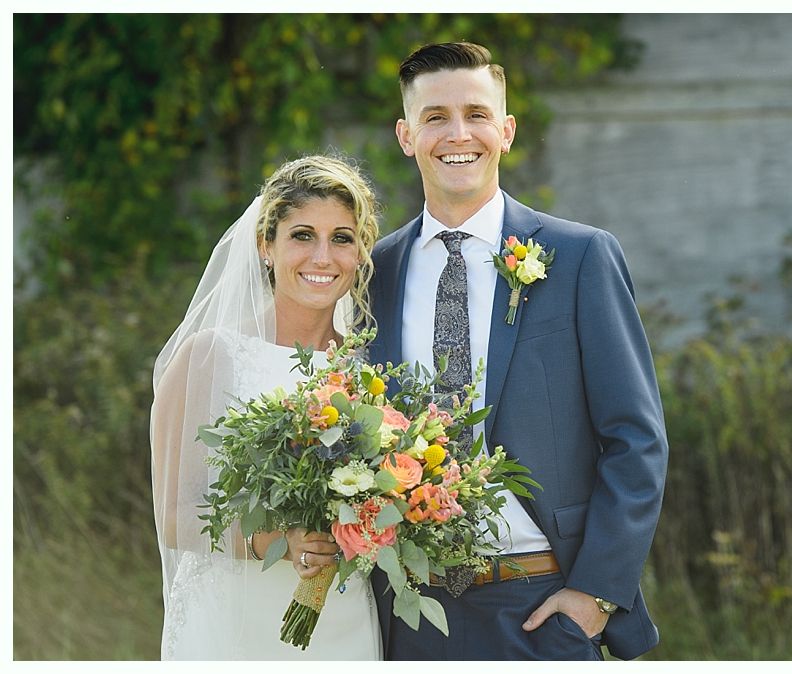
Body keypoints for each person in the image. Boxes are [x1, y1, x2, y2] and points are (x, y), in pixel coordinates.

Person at [368, 42, 669, 660]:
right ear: (405, 135)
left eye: (477, 114)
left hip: (541, 606)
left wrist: (593, 594)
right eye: (435, 117)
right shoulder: (373, 273)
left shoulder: (580, 258)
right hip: (407, 613)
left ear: (505, 131)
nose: (459, 134)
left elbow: (636, 438)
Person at [150, 155, 382, 659]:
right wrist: (278, 540)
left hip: (340, 620)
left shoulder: (370, 372)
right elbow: (174, 514)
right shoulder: (212, 355)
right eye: (302, 235)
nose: (323, 257)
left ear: (361, 252)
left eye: (342, 238)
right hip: (234, 621)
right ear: (265, 245)